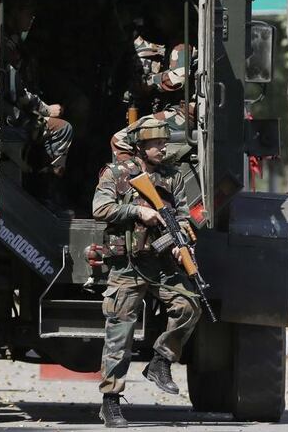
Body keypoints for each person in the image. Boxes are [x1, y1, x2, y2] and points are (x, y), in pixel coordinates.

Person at [92, 119, 201, 428]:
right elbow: (99, 208)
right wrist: (137, 211)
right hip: (127, 265)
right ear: (141, 147)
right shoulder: (116, 174)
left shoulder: (173, 177)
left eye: (164, 142)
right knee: (119, 334)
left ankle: (161, 360)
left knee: (189, 304)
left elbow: (181, 216)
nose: (163, 147)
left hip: (162, 263)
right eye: (156, 143)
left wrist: (182, 245)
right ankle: (110, 403)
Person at [3, 0, 74, 208]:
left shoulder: (15, 41)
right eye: (28, 13)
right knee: (62, 129)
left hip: (14, 113)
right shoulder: (8, 46)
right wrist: (45, 109)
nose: (31, 19)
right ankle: (44, 191)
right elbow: (16, 93)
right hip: (9, 118)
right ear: (15, 12)